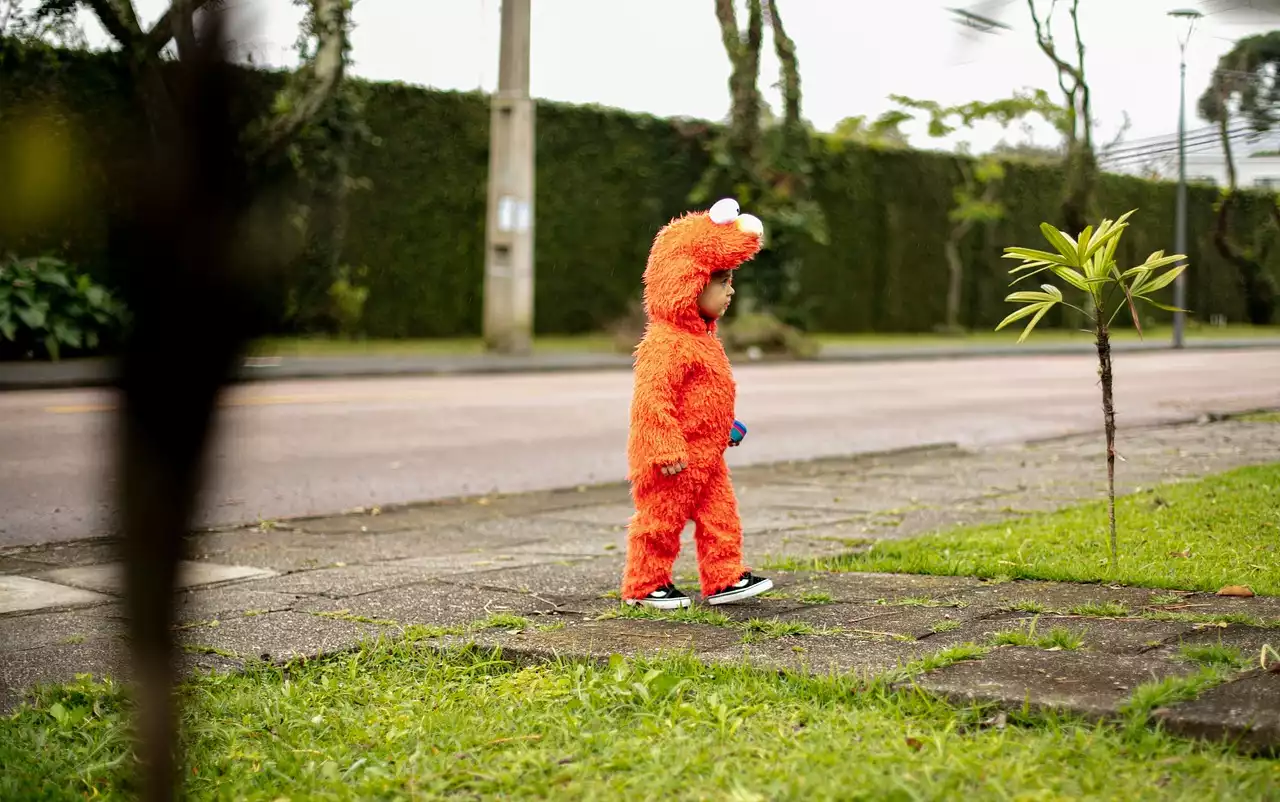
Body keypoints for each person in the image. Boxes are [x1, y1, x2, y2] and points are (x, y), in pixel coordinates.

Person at [620, 198, 774, 609]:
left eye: (729, 281)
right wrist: (664, 446)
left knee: (720, 515)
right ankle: (644, 583)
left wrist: (727, 427)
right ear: (689, 281)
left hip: (706, 453)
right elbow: (652, 400)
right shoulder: (666, 344)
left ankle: (724, 578)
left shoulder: (703, 340)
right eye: (722, 281)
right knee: (661, 519)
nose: (730, 291)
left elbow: (706, 397)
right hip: (673, 458)